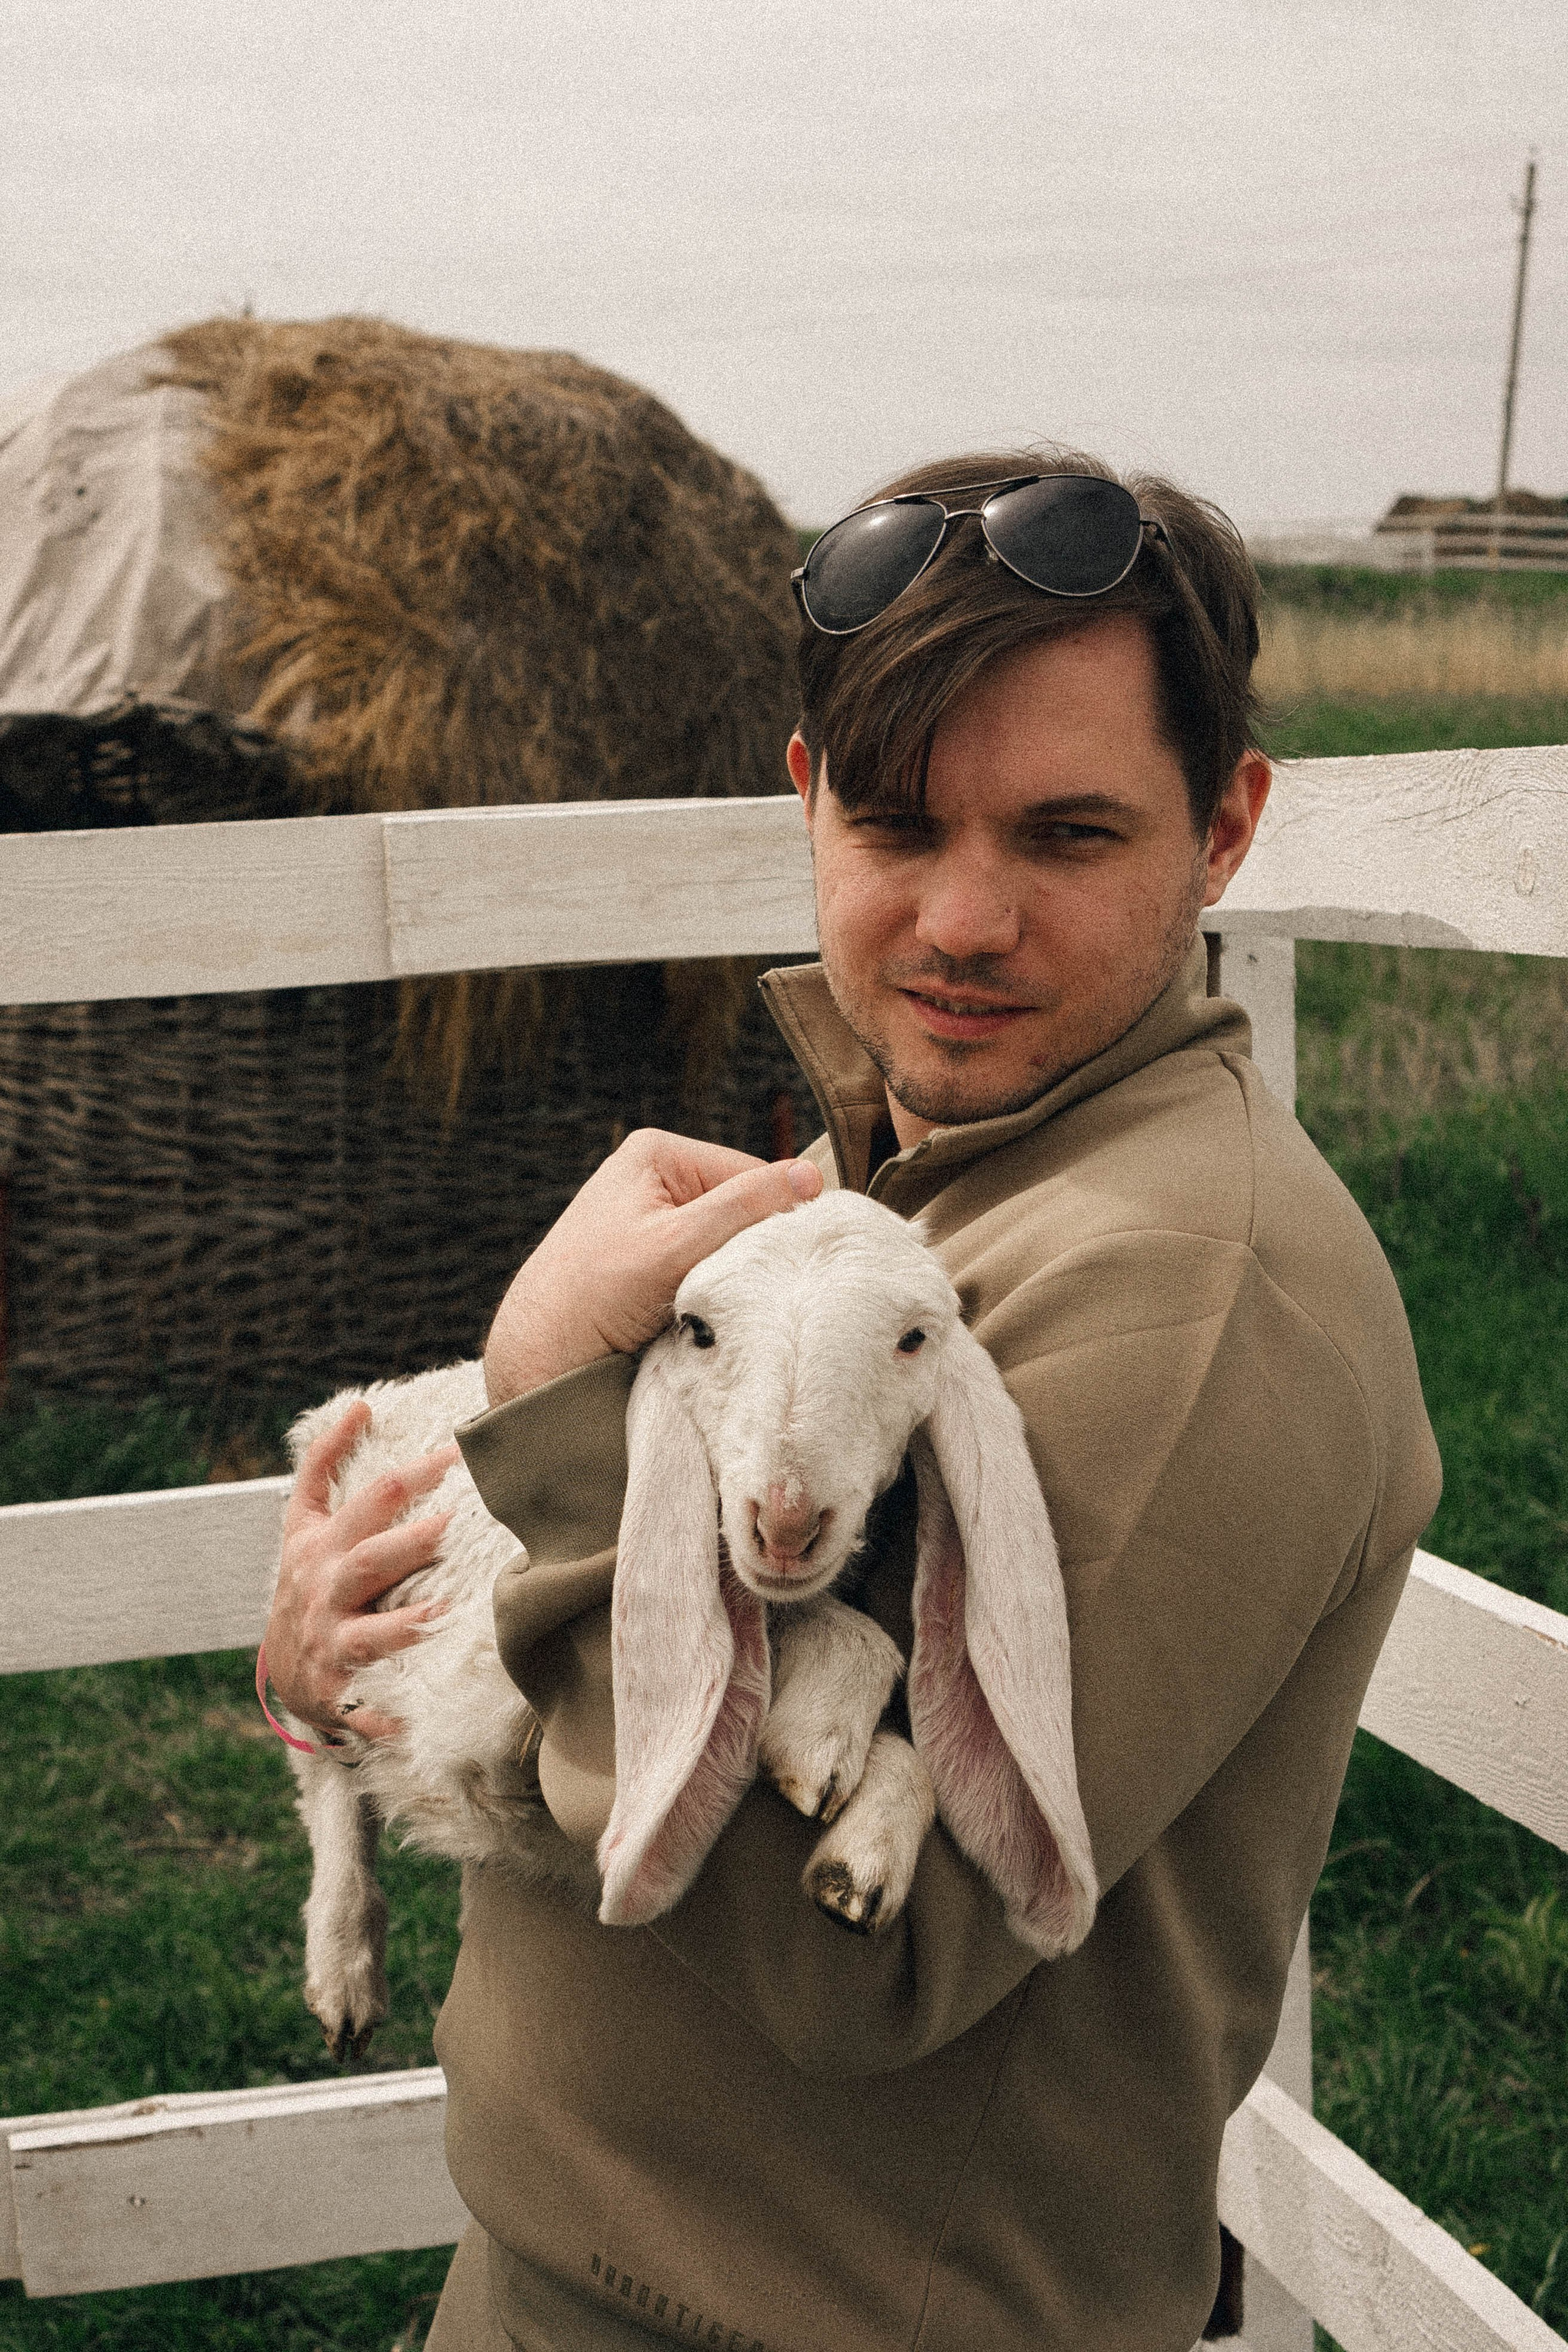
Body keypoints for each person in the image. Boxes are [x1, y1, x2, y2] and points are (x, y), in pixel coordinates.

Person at [266, 453, 1441, 2352]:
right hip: (574, 2277)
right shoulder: (895, 1193)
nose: (963, 919)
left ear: (1224, 830)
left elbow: (864, 1970)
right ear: (808, 800)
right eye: (898, 822)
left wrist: (556, 1410)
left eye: (1068, 835)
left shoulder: (1187, 1289)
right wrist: (382, 1648)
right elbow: (593, 1686)